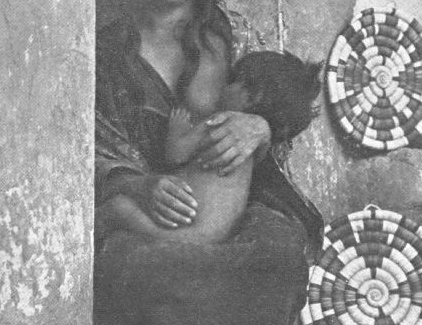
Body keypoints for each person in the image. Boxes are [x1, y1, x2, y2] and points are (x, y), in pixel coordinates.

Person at [93, 0, 323, 325]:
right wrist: (139, 182)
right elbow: (77, 143)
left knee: (278, 243)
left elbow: (288, 93)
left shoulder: (229, 35)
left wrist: (262, 126)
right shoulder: (98, 51)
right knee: (160, 268)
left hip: (227, 199)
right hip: (139, 215)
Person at [107, 50, 322, 244]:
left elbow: (175, 154)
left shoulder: (225, 123)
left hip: (188, 226)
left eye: (232, 81)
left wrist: (176, 128)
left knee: (119, 207)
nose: (224, 88)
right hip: (218, 232)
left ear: (251, 96)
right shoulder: (256, 149)